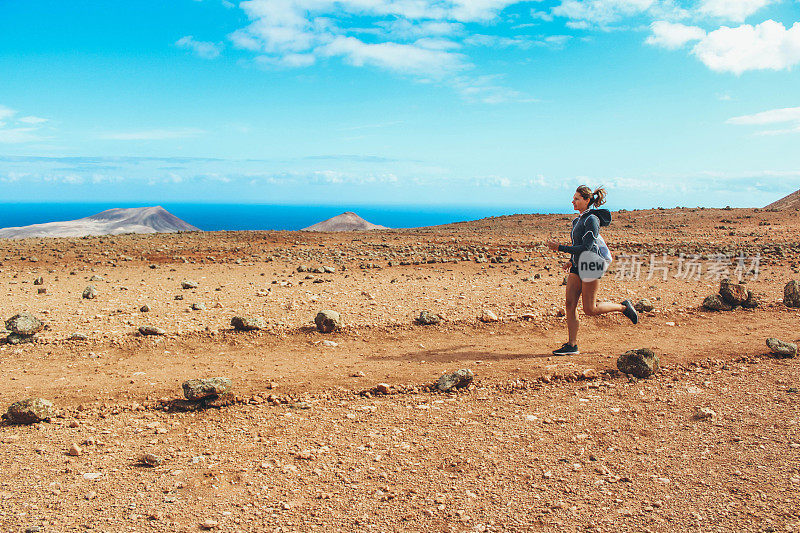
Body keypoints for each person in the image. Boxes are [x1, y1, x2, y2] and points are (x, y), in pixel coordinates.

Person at [546, 185, 638, 356]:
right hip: (577, 265)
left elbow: (588, 247)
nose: (573, 201)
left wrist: (560, 248)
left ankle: (623, 307)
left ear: (587, 200)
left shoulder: (592, 220)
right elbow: (578, 245)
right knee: (569, 304)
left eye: (577, 198)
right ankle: (572, 345)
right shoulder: (577, 221)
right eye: (573, 198)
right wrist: (570, 261)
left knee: (590, 309)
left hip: (591, 264)